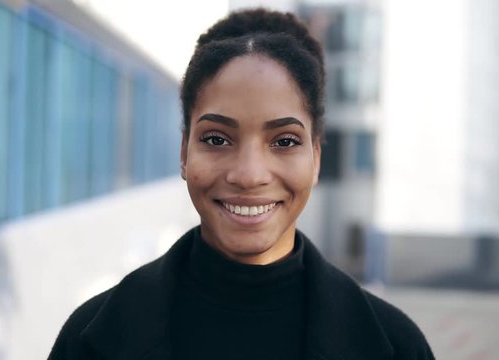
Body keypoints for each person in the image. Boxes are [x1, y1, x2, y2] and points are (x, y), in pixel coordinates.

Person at [48, 8, 434, 360]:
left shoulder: (396, 346)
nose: (249, 174)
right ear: (184, 152)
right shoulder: (89, 339)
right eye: (216, 139)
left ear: (316, 157)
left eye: (284, 141)